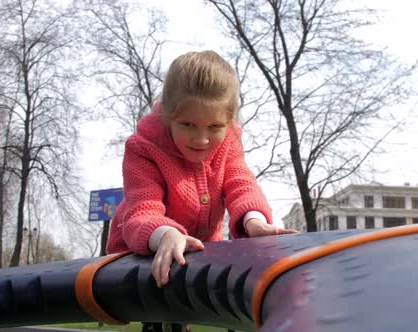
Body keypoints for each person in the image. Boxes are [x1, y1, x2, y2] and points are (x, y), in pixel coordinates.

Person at [106, 50, 297, 331]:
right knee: (165, 301)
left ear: (229, 122)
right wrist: (166, 234)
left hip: (202, 246)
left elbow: (240, 182)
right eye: (188, 125)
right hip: (145, 248)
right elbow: (141, 210)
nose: (202, 138)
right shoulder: (143, 149)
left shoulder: (229, 143)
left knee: (242, 298)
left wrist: (254, 221)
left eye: (215, 126)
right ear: (169, 116)